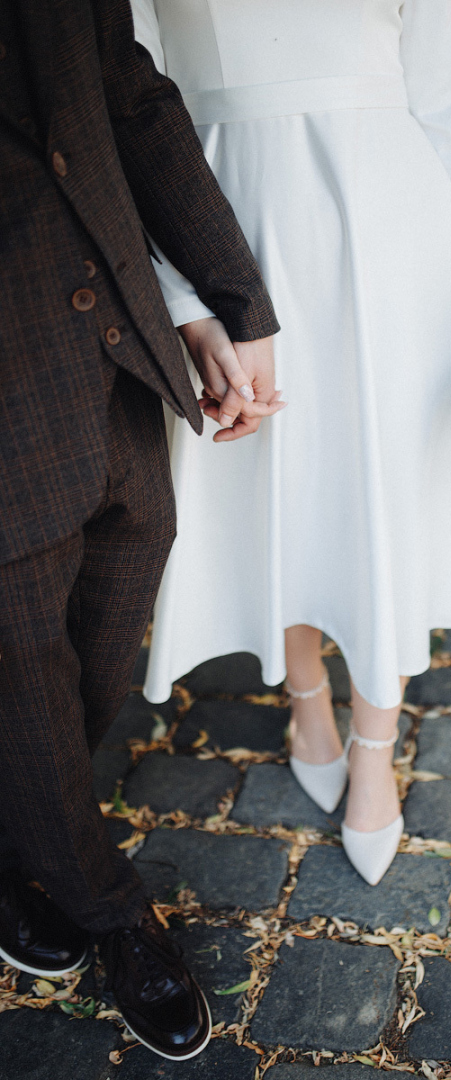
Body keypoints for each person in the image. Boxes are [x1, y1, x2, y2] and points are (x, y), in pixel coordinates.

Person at [133, 0, 451, 886]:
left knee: (379, 479)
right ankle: (307, 700)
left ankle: (374, 743)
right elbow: (128, 100)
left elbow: (450, 98)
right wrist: (182, 299)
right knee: (269, 467)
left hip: (394, 233)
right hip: (223, 211)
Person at [0, 0, 283, 1062]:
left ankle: (21, 831)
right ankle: (112, 911)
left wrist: (233, 299)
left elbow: (129, 99)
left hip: (115, 353)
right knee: (22, 663)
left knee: (105, 633)